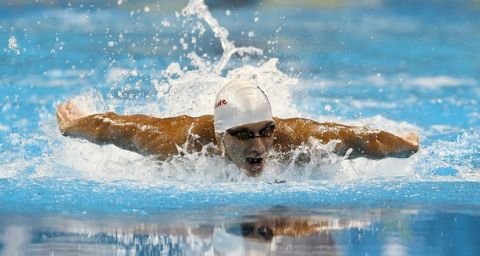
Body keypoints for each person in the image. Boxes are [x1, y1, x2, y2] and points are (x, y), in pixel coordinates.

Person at [56, 79, 419, 176]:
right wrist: (73, 125)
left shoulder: (296, 141)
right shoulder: (176, 143)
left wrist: (405, 145)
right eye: (243, 134)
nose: (258, 144)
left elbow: (358, 139)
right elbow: (116, 128)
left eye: (265, 130)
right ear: (219, 136)